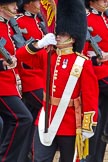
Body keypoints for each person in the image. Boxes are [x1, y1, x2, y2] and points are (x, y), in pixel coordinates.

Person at [17, 0, 99, 162]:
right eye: (58, 33)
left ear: (74, 37)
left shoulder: (82, 63)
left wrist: (88, 124)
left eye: (63, 33)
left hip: (69, 124)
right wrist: (39, 44)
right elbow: (21, 57)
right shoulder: (48, 55)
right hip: (45, 120)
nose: (58, 36)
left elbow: (90, 96)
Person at [0, 0, 34, 162]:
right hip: (2, 86)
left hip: (9, 84)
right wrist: (2, 65)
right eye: (12, 3)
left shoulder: (6, 26)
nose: (16, 6)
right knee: (23, 118)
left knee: (13, 121)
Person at [82, 0, 108, 162]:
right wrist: (96, 60)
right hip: (96, 74)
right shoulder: (86, 19)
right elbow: (81, 53)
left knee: (100, 122)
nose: (106, 1)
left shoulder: (105, 18)